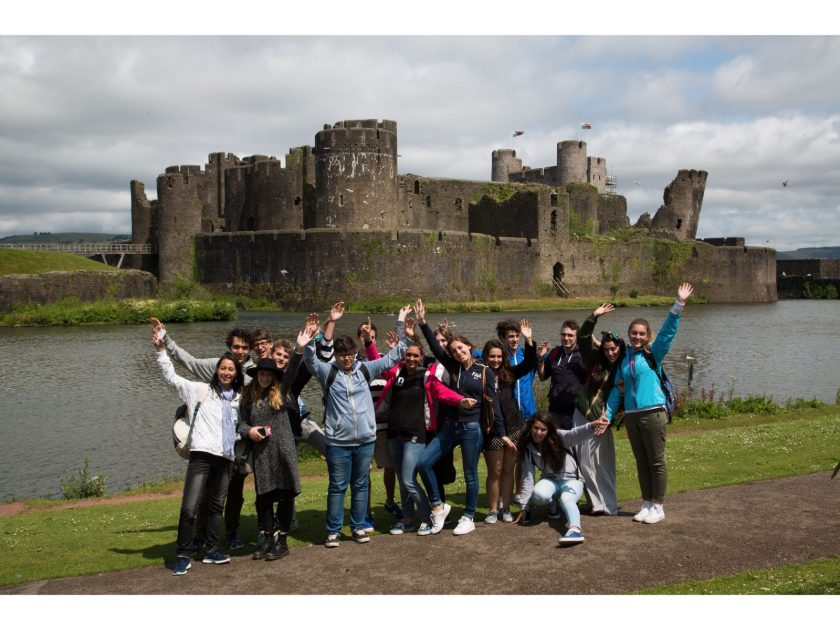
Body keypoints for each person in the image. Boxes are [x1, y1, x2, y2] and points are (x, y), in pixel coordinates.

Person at [302, 309, 408, 548]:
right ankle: (333, 531)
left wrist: (401, 324)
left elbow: (396, 355)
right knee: (338, 486)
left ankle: (359, 527)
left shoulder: (365, 369)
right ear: (336, 356)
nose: (345, 358)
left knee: (361, 485)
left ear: (354, 354)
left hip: (364, 440)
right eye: (341, 354)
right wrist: (310, 339)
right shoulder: (327, 372)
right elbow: (310, 360)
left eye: (349, 354)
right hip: (338, 442)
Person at [149, 318, 254, 551]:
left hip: (237, 446)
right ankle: (200, 537)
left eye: (245, 348)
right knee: (207, 495)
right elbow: (187, 363)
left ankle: (231, 533)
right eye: (236, 347)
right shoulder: (213, 369)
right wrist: (165, 341)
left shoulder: (253, 377)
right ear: (229, 347)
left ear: (250, 350)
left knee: (233, 493)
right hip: (209, 446)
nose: (240, 351)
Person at [601, 283, 694, 524]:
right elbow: (617, 390)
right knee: (641, 462)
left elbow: (668, 332)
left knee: (656, 460)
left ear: (647, 336)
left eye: (642, 333)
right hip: (632, 416)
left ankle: (659, 506)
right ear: (629, 334)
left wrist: (679, 304)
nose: (638, 337)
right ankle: (646, 503)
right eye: (634, 333)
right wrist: (607, 416)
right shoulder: (625, 359)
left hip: (653, 413)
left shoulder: (654, 352)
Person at [415, 298, 501, 536]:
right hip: (450, 427)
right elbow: (435, 347)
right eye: (454, 351)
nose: (458, 352)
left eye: (461, 348)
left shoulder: (484, 371)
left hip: (472, 428)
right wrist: (423, 323)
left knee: (470, 474)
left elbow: (493, 406)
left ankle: (468, 516)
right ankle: (439, 506)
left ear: (469, 347)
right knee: (424, 463)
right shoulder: (452, 368)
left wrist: (500, 434)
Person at [375, 338, 472, 535]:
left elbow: (443, 393)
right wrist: (370, 342)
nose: (411, 358)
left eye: (415, 355)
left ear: (421, 358)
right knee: (403, 481)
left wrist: (460, 400)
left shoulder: (426, 377)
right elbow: (376, 363)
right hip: (394, 433)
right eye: (408, 355)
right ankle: (408, 520)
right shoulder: (396, 372)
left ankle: (432, 513)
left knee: (409, 480)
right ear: (404, 356)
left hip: (416, 434)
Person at [238, 325, 311, 561]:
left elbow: (291, 372)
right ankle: (268, 539)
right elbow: (239, 424)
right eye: (262, 373)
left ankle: (282, 541)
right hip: (262, 453)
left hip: (283, 450)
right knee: (264, 498)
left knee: (286, 494)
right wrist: (250, 431)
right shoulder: (248, 396)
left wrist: (299, 349)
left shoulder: (281, 390)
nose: (266, 376)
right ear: (257, 373)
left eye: (269, 374)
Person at [513, 411, 609, 545]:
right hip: (550, 481)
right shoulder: (528, 447)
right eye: (536, 428)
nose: (538, 432)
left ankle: (575, 529)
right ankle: (553, 504)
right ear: (530, 427)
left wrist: (592, 425)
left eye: (543, 429)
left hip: (572, 480)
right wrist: (525, 508)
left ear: (549, 430)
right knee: (538, 494)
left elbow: (574, 434)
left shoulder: (558, 437)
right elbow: (527, 478)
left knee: (566, 499)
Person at [481, 319, 537, 524]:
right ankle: (492, 510)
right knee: (494, 472)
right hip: (493, 431)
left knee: (508, 470)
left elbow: (530, 363)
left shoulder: (509, 374)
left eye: (498, 357)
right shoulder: (481, 376)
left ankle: (505, 508)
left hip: (514, 428)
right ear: (486, 358)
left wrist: (529, 339)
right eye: (492, 357)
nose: (495, 360)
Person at [572, 303, 624, 516]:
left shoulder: (624, 369)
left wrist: (609, 418)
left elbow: (624, 398)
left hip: (601, 420)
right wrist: (594, 316)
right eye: (606, 349)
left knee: (602, 464)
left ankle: (608, 504)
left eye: (614, 349)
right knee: (584, 464)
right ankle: (596, 504)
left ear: (620, 348)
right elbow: (583, 337)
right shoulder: (596, 361)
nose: (610, 352)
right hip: (581, 415)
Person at [538, 319, 586, 430]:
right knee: (555, 444)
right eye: (563, 334)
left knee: (574, 445)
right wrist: (540, 358)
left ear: (577, 337)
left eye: (570, 335)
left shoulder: (583, 354)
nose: (566, 338)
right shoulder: (555, 352)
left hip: (575, 411)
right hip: (555, 409)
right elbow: (542, 377)